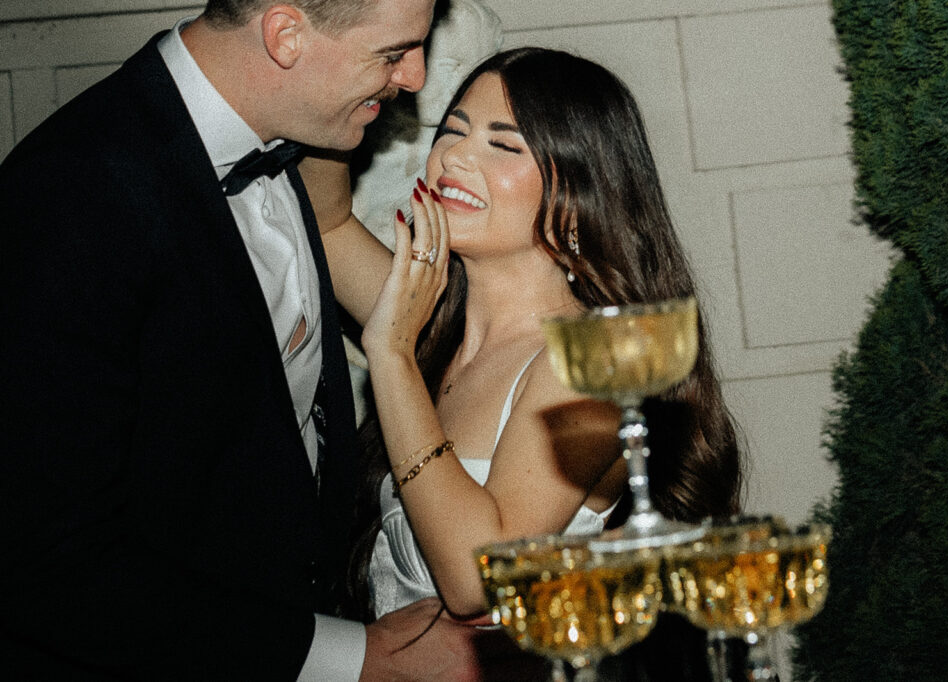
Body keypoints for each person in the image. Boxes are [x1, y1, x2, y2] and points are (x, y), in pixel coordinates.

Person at [0, 1, 509, 679]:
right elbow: (47, 561)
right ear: (285, 35)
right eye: (392, 54)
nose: (414, 79)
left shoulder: (294, 140)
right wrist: (358, 658)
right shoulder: (71, 195)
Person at [307, 47, 743, 629]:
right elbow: (327, 219)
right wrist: (347, 79)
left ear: (577, 198)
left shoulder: (591, 362)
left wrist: (391, 358)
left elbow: (475, 579)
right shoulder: (429, 320)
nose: (453, 156)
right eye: (451, 131)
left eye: (502, 144)